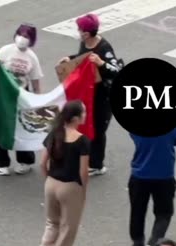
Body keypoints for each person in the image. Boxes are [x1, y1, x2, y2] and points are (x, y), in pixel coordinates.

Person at [35, 100, 90, 246]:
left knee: (52, 221)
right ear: (75, 118)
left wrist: (49, 179)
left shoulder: (54, 134)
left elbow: (42, 163)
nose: (85, 115)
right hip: (70, 187)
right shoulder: (82, 141)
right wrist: (82, 191)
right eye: (83, 113)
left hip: (51, 183)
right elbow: (83, 171)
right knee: (68, 226)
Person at [67, 13, 123, 175]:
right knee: (85, 125)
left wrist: (101, 63)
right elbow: (81, 59)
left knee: (98, 129)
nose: (78, 32)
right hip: (87, 93)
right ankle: (87, 157)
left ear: (86, 32)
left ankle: (97, 164)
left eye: (80, 30)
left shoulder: (104, 48)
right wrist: (69, 58)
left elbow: (117, 70)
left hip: (103, 96)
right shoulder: (84, 43)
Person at [0, 24, 42, 175]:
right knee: (1, 127)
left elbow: (36, 81)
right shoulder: (6, 51)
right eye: (20, 34)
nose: (22, 39)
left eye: (26, 36)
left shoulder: (32, 57)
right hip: (3, 94)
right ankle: (1, 162)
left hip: (21, 95)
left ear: (31, 40)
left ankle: (25, 161)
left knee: (22, 128)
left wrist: (37, 101)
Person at [128, 127, 176, 246]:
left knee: (137, 212)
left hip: (139, 175)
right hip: (164, 175)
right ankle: (153, 244)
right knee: (164, 213)